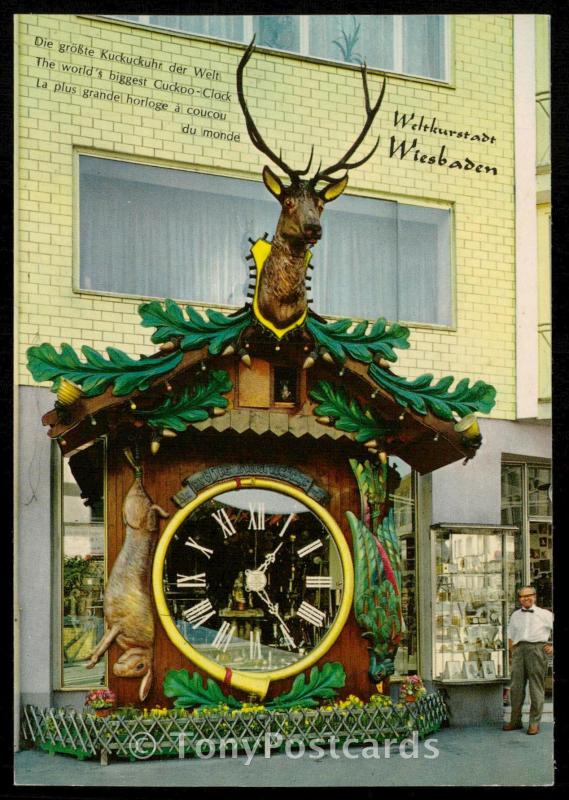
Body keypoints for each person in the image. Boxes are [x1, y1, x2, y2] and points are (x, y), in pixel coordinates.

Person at [503, 586, 553, 735]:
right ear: (519, 599)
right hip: (519, 650)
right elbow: (510, 636)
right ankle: (515, 721)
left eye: (529, 595)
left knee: (535, 688)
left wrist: (552, 647)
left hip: (537, 650)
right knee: (516, 688)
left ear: (535, 596)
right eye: (522, 596)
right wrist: (513, 654)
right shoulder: (515, 615)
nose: (526, 598)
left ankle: (534, 723)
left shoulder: (545, 614)